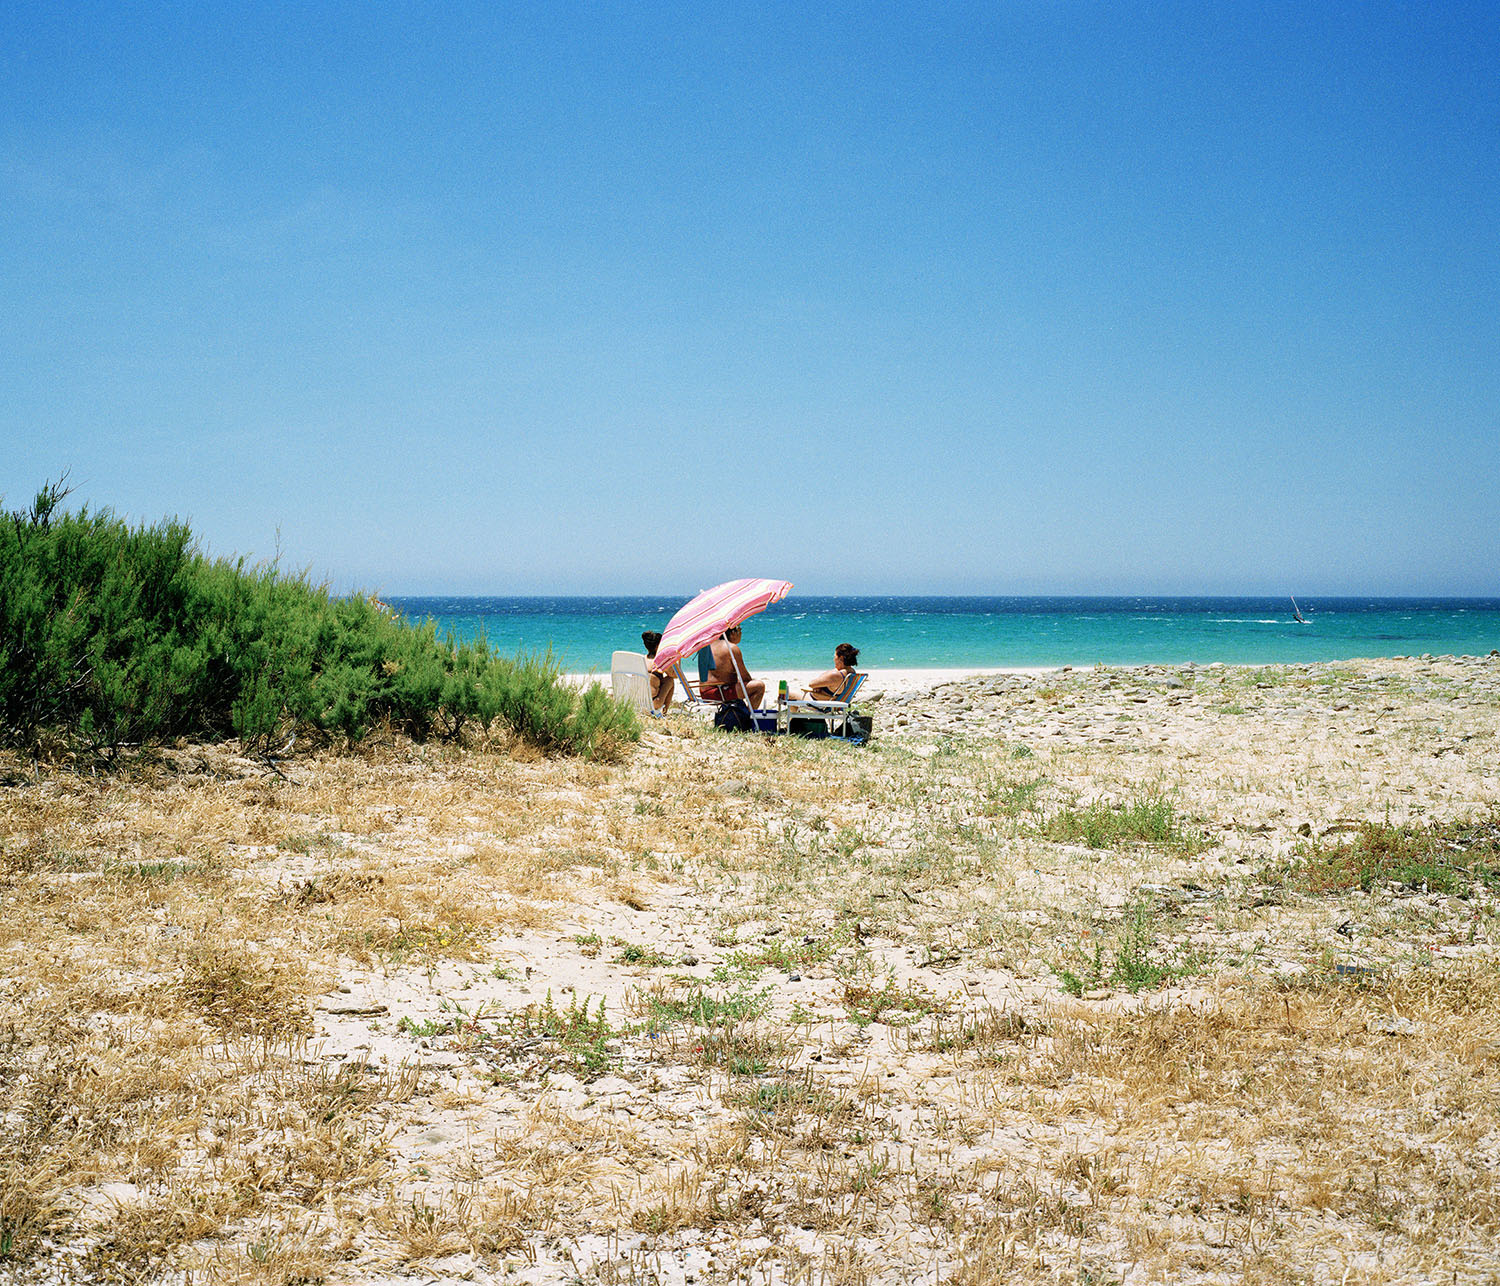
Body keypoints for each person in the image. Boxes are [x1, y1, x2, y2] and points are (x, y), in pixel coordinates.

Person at [702, 625, 766, 708]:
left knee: (744, 685)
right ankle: (747, 718)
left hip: (705, 691)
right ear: (732, 633)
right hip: (718, 692)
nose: (741, 634)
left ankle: (743, 716)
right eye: (739, 631)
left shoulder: (709, 646)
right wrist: (749, 683)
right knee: (759, 687)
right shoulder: (731, 648)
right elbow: (745, 677)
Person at [640, 631, 674, 714]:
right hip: (654, 702)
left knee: (656, 679)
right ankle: (664, 711)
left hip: (639, 701)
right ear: (658, 646)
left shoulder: (641, 660)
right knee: (670, 679)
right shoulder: (659, 662)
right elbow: (675, 675)